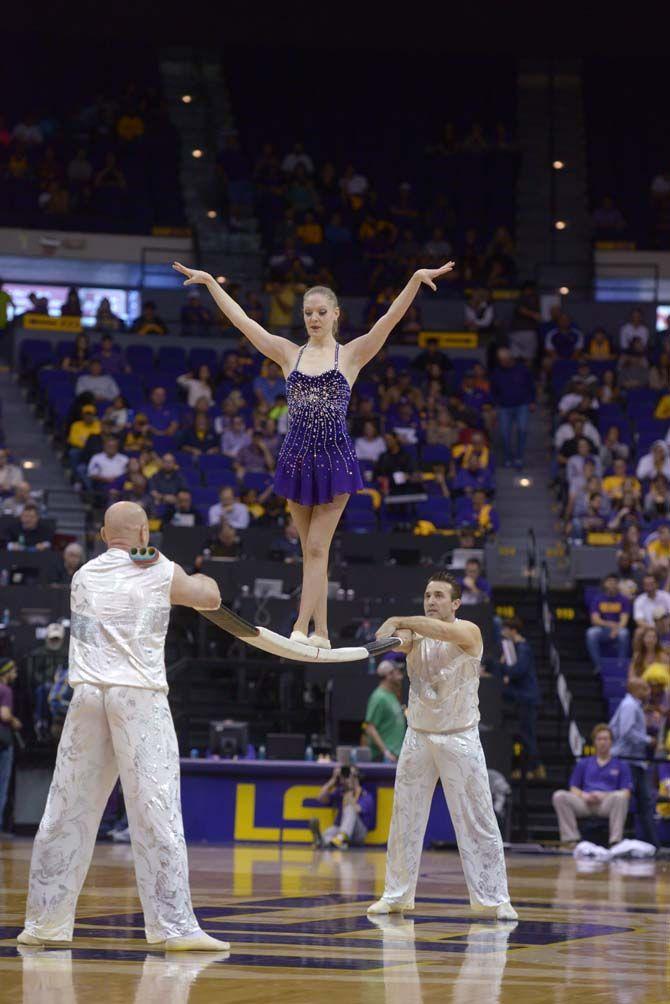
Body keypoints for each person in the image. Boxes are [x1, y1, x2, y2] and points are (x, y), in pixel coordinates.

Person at [173, 257, 455, 650]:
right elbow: (243, 322)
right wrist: (209, 283)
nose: (314, 319)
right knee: (309, 551)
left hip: (334, 458)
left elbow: (388, 320)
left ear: (336, 314)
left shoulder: (352, 355)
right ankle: (321, 631)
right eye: (308, 313)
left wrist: (413, 279)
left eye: (322, 312)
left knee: (319, 547)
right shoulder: (290, 354)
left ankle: (301, 626)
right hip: (296, 458)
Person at [18, 501, 229, 951]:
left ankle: (44, 923)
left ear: (101, 534)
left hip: (89, 696)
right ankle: (173, 927)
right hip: (138, 697)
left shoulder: (83, 575)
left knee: (66, 810)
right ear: (145, 534)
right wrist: (198, 573)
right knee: (156, 809)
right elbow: (208, 598)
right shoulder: (158, 569)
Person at [367, 571, 517, 920]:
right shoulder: (416, 632)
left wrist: (400, 620)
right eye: (427, 595)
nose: (431, 601)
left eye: (438, 595)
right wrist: (395, 632)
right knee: (404, 816)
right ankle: (396, 895)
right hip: (418, 735)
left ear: (455, 603)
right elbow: (386, 640)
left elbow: (440, 631)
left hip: (459, 735)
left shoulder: (469, 631)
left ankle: (495, 899)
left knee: (477, 819)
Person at [551, 724, 632, 848]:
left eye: (606, 739)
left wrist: (605, 795)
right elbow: (573, 787)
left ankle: (615, 842)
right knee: (559, 796)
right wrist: (584, 795)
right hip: (585, 803)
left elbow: (626, 792)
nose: (603, 742)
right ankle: (570, 840)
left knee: (621, 797)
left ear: (611, 742)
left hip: (607, 803)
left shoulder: (621, 765)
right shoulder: (584, 763)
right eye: (599, 739)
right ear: (594, 742)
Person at [609, 679, 659, 848]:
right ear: (635, 690)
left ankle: (651, 844)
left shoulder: (633, 705)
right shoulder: (629, 705)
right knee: (643, 802)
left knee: (645, 802)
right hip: (628, 761)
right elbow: (627, 732)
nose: (649, 692)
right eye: (645, 688)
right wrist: (647, 740)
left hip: (635, 761)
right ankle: (652, 844)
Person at [498, 618, 543, 778]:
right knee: (523, 734)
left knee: (527, 734)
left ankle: (534, 769)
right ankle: (528, 769)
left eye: (505, 630)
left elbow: (518, 671)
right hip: (521, 697)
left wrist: (502, 667)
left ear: (513, 630)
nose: (503, 634)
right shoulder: (514, 648)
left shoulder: (523, 648)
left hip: (527, 698)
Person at [490, 347, 535, 469]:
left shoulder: (522, 369)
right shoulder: (496, 372)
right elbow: (493, 390)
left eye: (505, 359)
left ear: (510, 358)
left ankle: (519, 457)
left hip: (522, 405)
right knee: (504, 434)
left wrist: (532, 401)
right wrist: (495, 405)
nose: (503, 362)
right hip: (504, 406)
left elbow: (531, 386)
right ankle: (508, 457)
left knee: (522, 430)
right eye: (501, 360)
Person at [311, 765, 375, 849]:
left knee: (350, 809)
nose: (347, 778)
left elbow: (357, 809)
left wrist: (351, 789)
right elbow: (320, 798)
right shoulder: (340, 791)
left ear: (356, 777)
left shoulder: (365, 794)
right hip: (341, 829)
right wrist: (333, 780)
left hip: (358, 833)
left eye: (350, 775)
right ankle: (323, 840)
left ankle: (340, 839)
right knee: (328, 832)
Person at [362, 659, 407, 762]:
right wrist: (386, 752)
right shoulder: (379, 697)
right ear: (388, 675)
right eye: (398, 672)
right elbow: (369, 727)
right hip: (384, 759)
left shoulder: (391, 695)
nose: (401, 676)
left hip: (395, 757)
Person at [586, 574, 632, 671]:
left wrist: (616, 629)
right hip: (603, 629)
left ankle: (621, 665)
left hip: (619, 628)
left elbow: (624, 621)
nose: (612, 585)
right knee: (591, 633)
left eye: (614, 582)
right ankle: (598, 666)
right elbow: (595, 620)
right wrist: (610, 625)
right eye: (609, 582)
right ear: (604, 584)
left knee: (624, 634)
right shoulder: (597, 599)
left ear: (618, 585)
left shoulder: (624, 600)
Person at [0, 660, 22, 835]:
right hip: (3, 743)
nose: (15, 675)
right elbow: (5, 715)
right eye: (13, 671)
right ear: (5, 673)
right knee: (2, 784)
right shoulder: (5, 690)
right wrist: (15, 722)